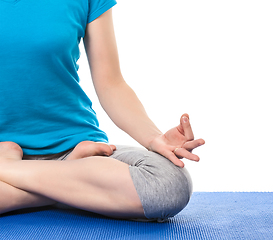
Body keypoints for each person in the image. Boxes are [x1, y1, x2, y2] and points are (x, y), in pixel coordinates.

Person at [0, 0, 204, 221]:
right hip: (79, 172)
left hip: (78, 152)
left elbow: (111, 84)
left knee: (170, 184)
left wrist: (154, 138)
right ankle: (69, 190)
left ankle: (9, 170)